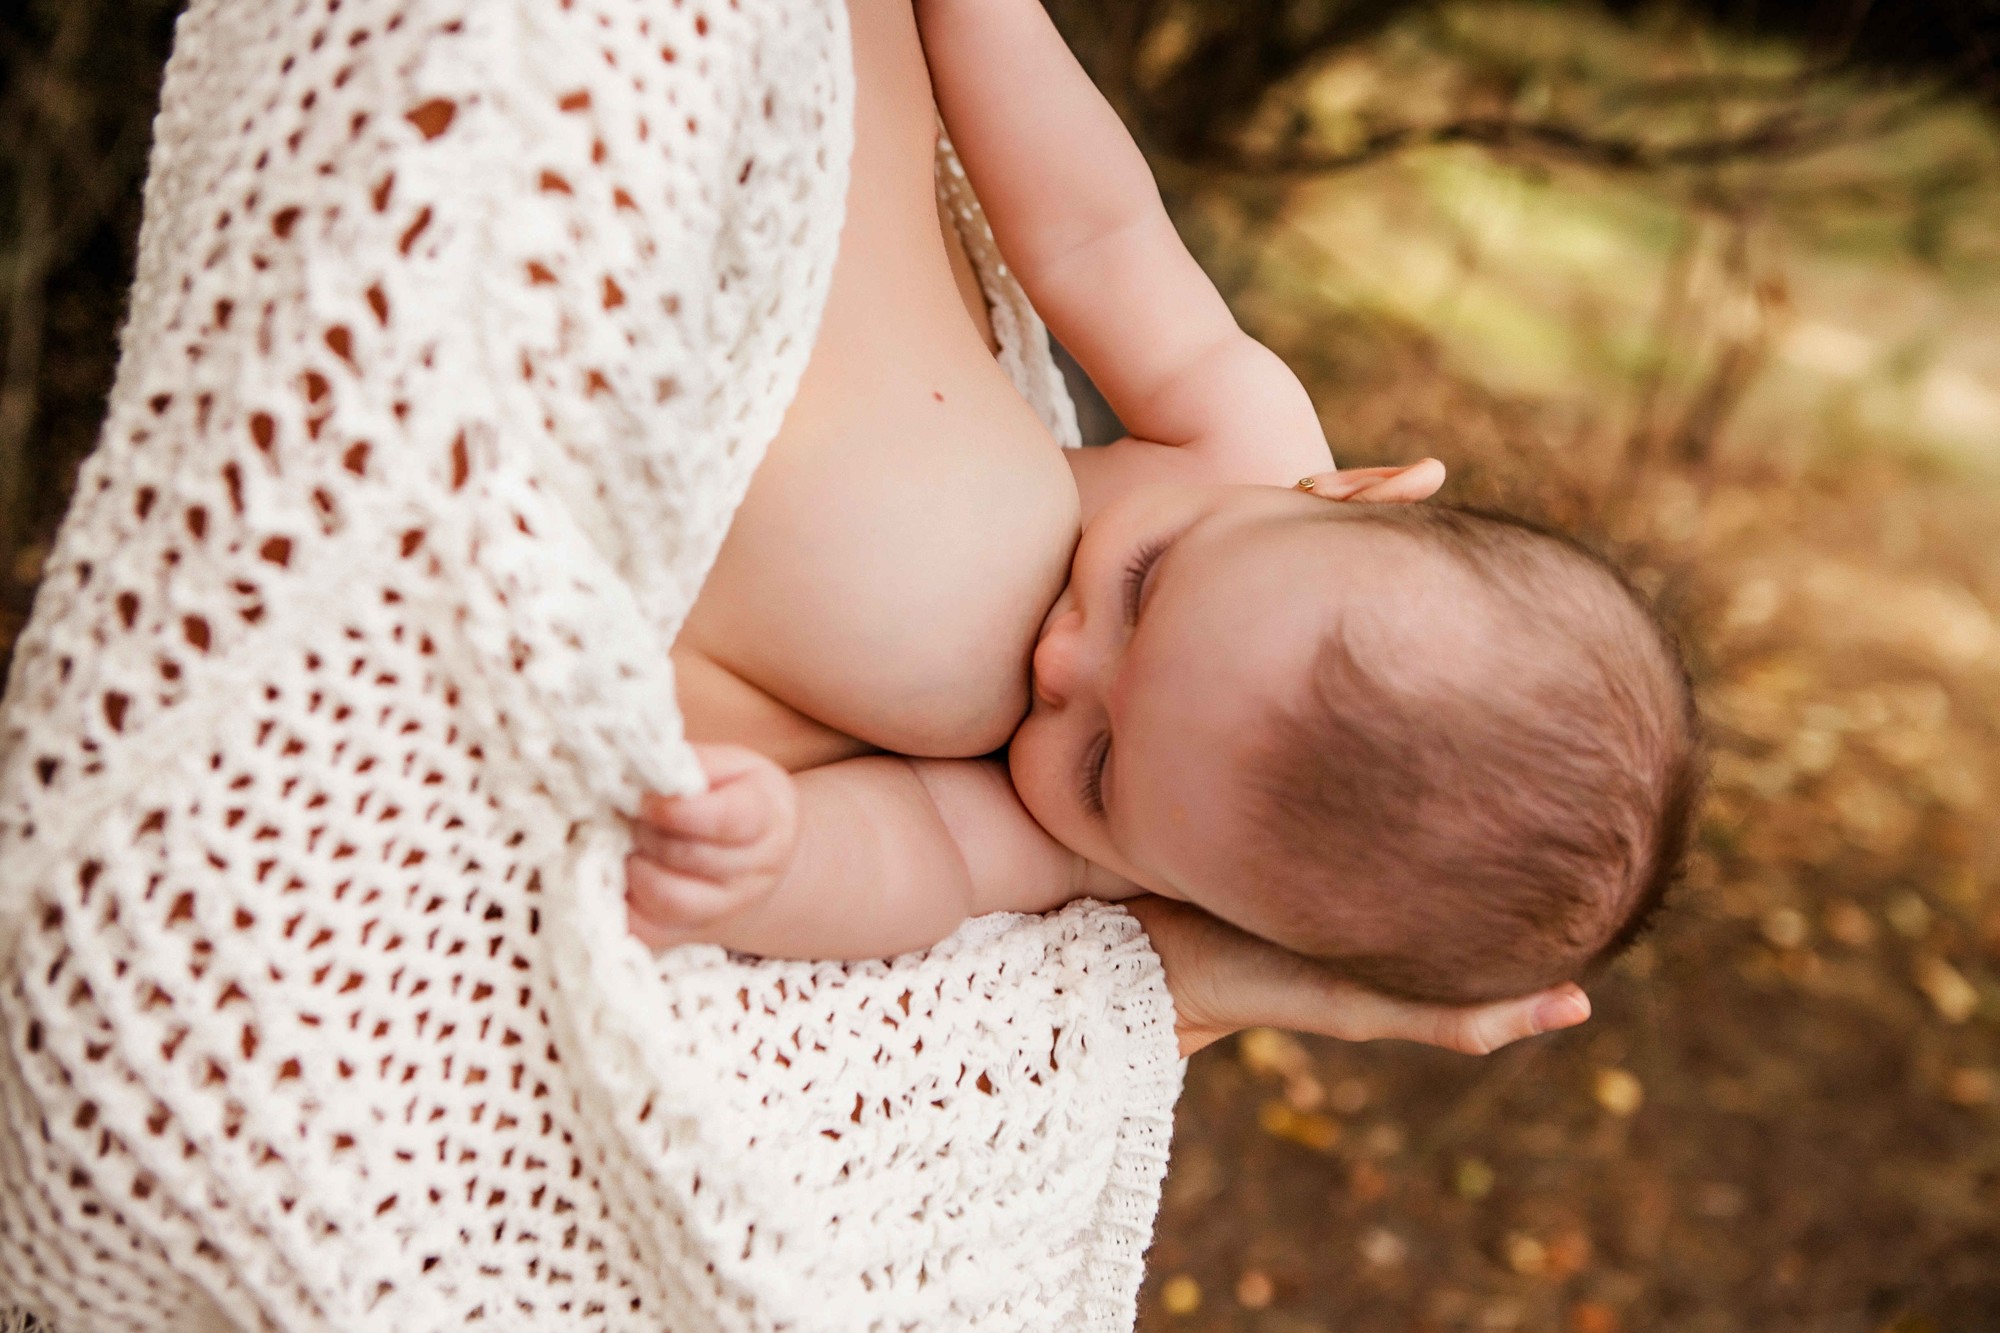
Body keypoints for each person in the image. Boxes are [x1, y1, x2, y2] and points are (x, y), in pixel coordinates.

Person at [626, 0, 1696, 1007]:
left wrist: (770, 866)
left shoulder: (1097, 844)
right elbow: (1098, 233)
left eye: (1095, 768)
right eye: (1144, 586)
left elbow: (925, 858)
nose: (1059, 668)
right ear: (1355, 492)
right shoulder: (1251, 445)